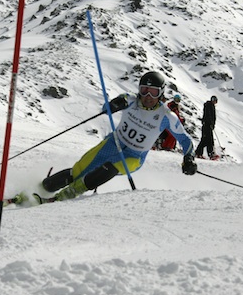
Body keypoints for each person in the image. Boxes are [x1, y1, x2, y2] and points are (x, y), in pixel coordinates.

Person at [40, 71, 197, 202]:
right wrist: (113, 105)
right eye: (144, 90)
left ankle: (62, 197)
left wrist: (188, 159)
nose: (148, 96)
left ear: (161, 93)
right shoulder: (130, 100)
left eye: (153, 92)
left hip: (134, 156)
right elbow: (106, 107)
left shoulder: (166, 116)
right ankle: (42, 188)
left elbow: (185, 140)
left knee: (109, 168)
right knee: (78, 171)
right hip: (113, 143)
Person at [196, 95, 218, 159]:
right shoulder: (209, 106)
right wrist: (210, 123)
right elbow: (208, 115)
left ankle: (199, 153)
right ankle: (210, 154)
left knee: (205, 140)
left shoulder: (211, 106)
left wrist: (212, 124)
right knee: (209, 140)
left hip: (208, 125)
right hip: (207, 125)